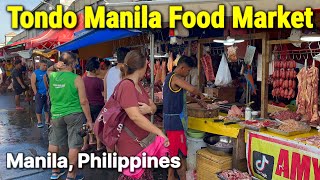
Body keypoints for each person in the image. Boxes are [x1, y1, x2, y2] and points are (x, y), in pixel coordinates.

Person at [115, 50, 169, 180]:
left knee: (143, 174)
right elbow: (134, 116)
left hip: (143, 140)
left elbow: (153, 106)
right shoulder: (126, 86)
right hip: (131, 141)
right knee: (134, 174)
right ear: (143, 66)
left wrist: (149, 109)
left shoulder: (137, 84)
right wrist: (159, 132)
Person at [47, 52, 93, 180]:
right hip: (74, 115)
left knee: (54, 142)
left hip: (56, 114)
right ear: (72, 63)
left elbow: (48, 71)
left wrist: (54, 66)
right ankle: (71, 175)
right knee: (74, 144)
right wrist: (89, 120)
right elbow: (84, 101)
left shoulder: (53, 76)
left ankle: (55, 171)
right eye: (76, 62)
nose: (77, 64)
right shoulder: (76, 78)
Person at [163, 55, 206, 180]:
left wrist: (196, 101)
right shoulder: (175, 78)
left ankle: (171, 177)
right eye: (188, 71)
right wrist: (200, 95)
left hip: (171, 122)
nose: (187, 74)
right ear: (182, 68)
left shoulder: (170, 77)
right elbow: (192, 89)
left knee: (173, 152)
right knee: (180, 156)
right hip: (175, 123)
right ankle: (182, 177)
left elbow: (184, 96)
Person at [82, 57, 105, 152]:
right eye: (99, 68)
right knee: (97, 125)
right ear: (95, 70)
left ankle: (85, 144)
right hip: (98, 106)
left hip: (86, 106)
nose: (100, 70)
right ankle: (99, 145)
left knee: (86, 125)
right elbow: (104, 95)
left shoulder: (83, 80)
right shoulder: (99, 81)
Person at [31, 60, 49, 128]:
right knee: (39, 108)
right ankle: (39, 121)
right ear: (40, 64)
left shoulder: (48, 72)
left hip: (47, 93)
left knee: (47, 108)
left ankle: (47, 120)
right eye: (44, 65)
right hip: (40, 93)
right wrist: (36, 93)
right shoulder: (36, 73)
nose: (45, 67)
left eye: (46, 66)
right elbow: (33, 83)